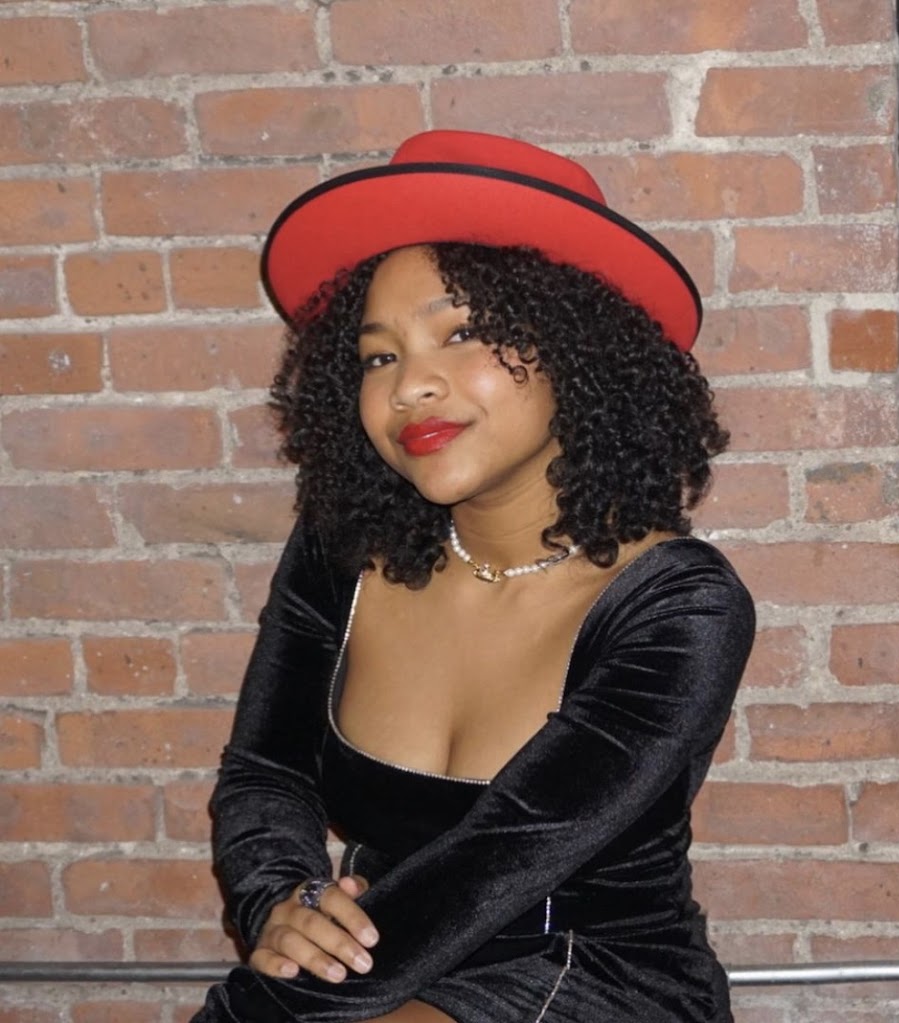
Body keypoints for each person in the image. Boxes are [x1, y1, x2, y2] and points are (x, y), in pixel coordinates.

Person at [192, 130, 755, 1023]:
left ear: (574, 348)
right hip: (372, 958)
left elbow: (502, 858)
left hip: (592, 978)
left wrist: (270, 1002)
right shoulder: (343, 550)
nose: (410, 386)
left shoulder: (678, 605)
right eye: (380, 355)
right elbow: (267, 770)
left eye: (460, 333)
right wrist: (284, 903)